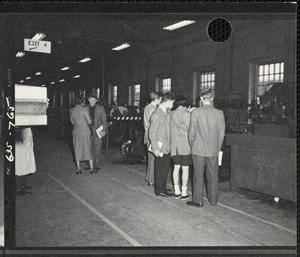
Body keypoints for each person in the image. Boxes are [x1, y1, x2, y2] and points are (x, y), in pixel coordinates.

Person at [187, 90, 225, 207]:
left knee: (198, 175)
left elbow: (192, 132)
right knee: (213, 175)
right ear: (212, 99)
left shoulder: (196, 112)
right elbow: (221, 132)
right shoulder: (219, 113)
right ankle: (213, 200)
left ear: (201, 99)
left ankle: (198, 201)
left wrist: (192, 144)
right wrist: (217, 147)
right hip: (213, 149)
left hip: (198, 148)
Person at [148, 92, 175, 197]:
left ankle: (162, 187)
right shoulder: (157, 114)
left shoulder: (165, 112)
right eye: (172, 103)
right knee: (160, 169)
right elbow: (152, 133)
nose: (172, 105)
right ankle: (159, 190)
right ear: (168, 102)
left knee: (164, 169)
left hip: (166, 146)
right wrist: (155, 149)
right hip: (160, 147)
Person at [170, 95, 194, 200]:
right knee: (185, 169)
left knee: (176, 168)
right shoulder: (186, 114)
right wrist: (191, 113)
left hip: (174, 145)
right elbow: (191, 129)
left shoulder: (171, 113)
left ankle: (176, 191)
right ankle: (184, 192)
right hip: (185, 145)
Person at [70, 97, 96, 174]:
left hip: (76, 132)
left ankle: (78, 168)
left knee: (77, 149)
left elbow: (72, 122)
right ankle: (91, 168)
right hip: (85, 132)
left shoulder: (71, 110)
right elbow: (89, 121)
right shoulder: (84, 109)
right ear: (82, 103)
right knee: (87, 148)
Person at [143, 92, 163, 186]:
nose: (161, 101)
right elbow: (153, 124)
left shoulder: (147, 107)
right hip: (152, 136)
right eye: (160, 99)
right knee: (153, 159)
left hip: (148, 135)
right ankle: (152, 180)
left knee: (151, 158)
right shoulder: (153, 109)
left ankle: (149, 177)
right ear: (157, 99)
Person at [87, 93, 107, 170]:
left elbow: (104, 120)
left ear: (96, 101)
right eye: (91, 100)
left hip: (98, 129)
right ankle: (90, 163)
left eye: (94, 100)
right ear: (88, 100)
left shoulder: (101, 108)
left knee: (98, 146)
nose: (92, 102)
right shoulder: (85, 108)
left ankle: (97, 163)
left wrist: (104, 131)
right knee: (89, 146)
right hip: (88, 130)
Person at [15, 127, 36, 196]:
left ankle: (22, 184)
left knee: (25, 162)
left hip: (25, 130)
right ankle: (18, 188)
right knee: (20, 162)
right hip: (18, 131)